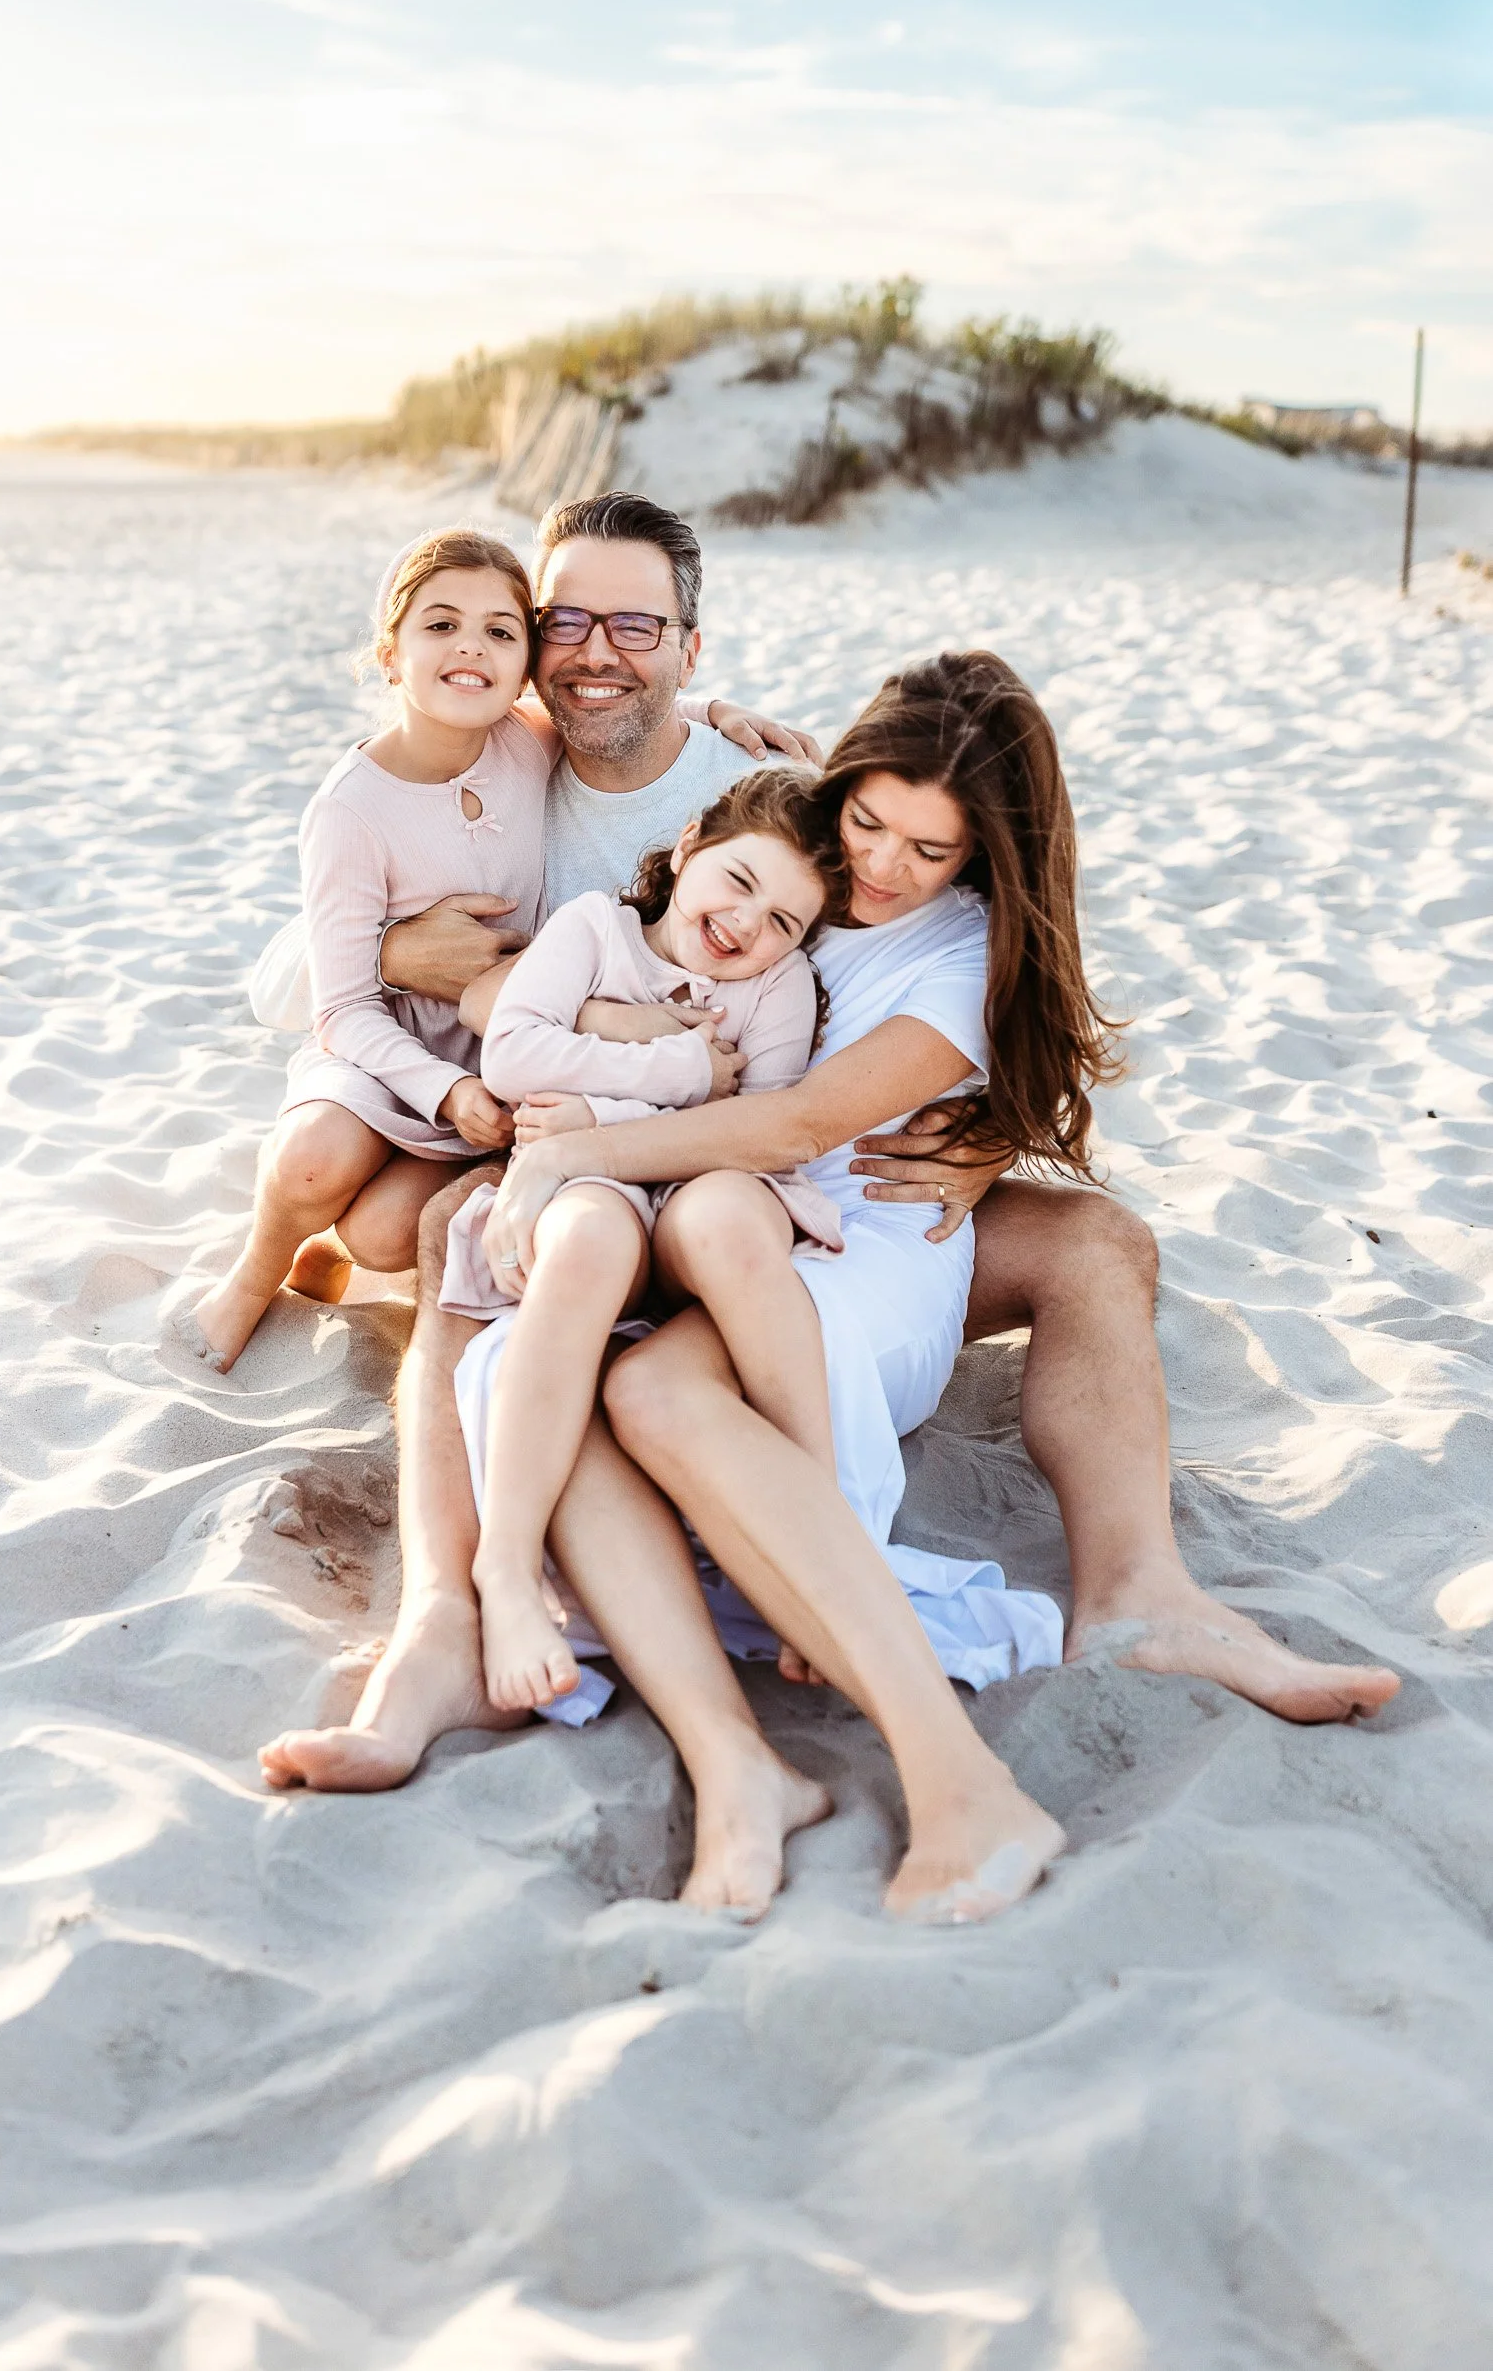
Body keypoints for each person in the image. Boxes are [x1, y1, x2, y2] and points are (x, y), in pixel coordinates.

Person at [259, 501, 1399, 1891]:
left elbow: (827, 1074)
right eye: (566, 623)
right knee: (465, 1248)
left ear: (689, 644)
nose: (593, 654)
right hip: (610, 1154)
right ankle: (454, 1619)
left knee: (1087, 1238)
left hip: (764, 1187)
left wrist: (982, 1131)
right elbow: (312, 973)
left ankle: (1130, 1594)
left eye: (635, 626)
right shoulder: (495, 753)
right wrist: (413, 962)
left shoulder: (767, 798)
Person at [188, 518, 803, 1371]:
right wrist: (401, 970)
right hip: (401, 1051)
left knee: (380, 1231)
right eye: (439, 625)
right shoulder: (375, 795)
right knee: (311, 1167)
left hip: (504, 1056)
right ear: (389, 651)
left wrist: (711, 712)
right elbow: (318, 1000)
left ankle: (334, 1246)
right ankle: (256, 1271)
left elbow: (630, 705)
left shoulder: (546, 745)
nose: (470, 649)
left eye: (500, 632)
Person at [443, 766, 849, 1713]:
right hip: (594, 1185)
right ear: (690, 845)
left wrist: (592, 1094)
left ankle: (815, 1549)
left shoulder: (780, 988)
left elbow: (753, 1115)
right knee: (581, 1242)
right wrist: (670, 1061)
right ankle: (505, 1569)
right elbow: (509, 1054)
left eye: (784, 921)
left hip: (709, 1188)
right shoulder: (593, 929)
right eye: (740, 882)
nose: (748, 926)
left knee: (734, 1217)